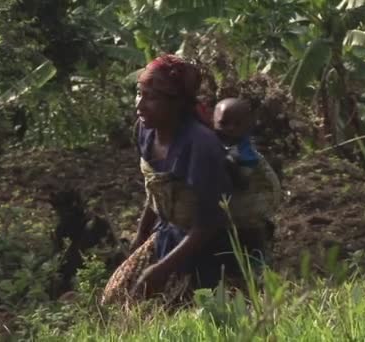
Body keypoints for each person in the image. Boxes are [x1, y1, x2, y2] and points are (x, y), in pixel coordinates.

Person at [101, 55, 241, 306]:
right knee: (114, 300)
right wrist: (141, 235)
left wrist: (161, 269)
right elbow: (157, 191)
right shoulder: (145, 130)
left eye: (151, 97)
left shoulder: (200, 146)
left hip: (206, 249)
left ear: (177, 104)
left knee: (177, 314)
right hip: (167, 234)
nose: (140, 105)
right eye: (139, 93)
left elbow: (209, 224)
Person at [212, 97, 282, 269]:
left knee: (254, 255)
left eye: (238, 124)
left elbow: (242, 182)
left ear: (249, 124)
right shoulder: (213, 143)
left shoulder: (246, 151)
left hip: (249, 218)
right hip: (230, 220)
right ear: (212, 122)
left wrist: (229, 165)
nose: (231, 129)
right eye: (224, 123)